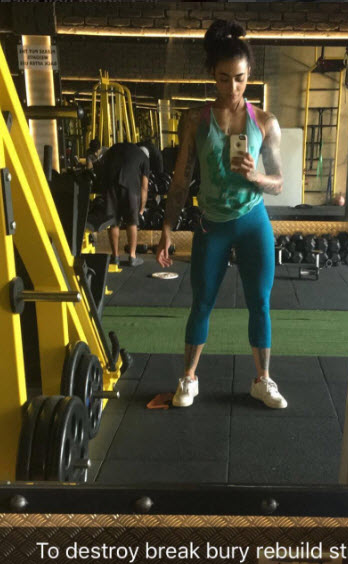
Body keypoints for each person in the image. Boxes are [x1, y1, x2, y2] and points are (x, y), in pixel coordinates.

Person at [155, 20, 287, 409]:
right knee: (202, 302)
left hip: (252, 222)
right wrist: (166, 228)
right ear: (212, 75)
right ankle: (189, 377)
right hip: (212, 224)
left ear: (250, 75)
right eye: (224, 79)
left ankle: (262, 380)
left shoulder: (265, 122)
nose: (232, 88)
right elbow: (181, 180)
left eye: (240, 79)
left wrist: (255, 175)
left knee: (259, 301)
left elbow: (279, 182)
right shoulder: (195, 121)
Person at [102, 142, 150, 266]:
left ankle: (115, 256)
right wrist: (141, 210)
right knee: (132, 221)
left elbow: (102, 166)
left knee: (113, 221)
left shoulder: (117, 149)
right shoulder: (144, 158)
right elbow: (144, 187)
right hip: (130, 188)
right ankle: (132, 256)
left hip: (110, 184)